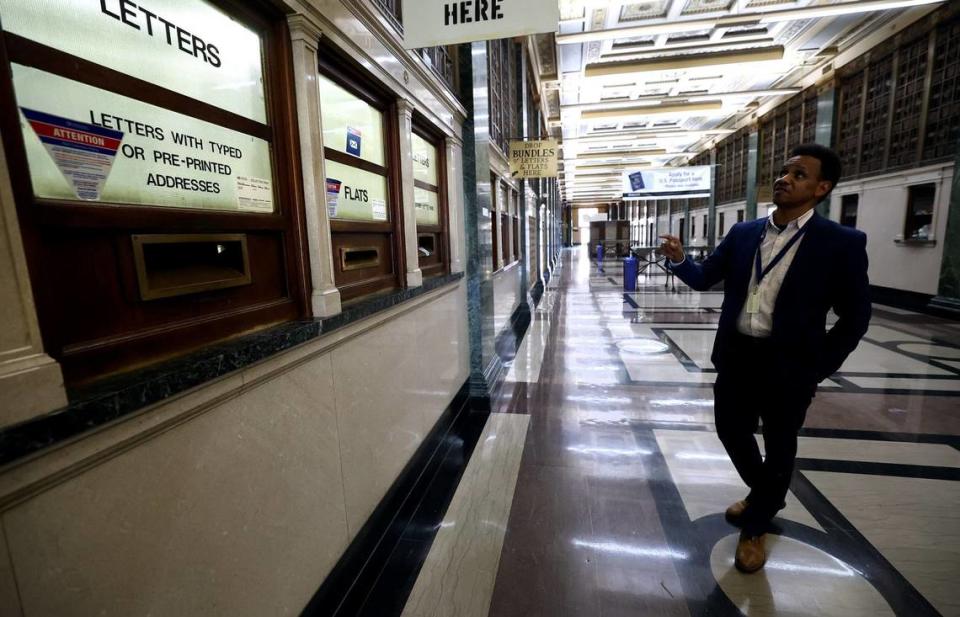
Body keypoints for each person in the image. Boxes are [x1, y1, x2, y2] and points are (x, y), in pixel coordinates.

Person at [657, 144, 871, 573]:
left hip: (789, 366)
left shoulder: (841, 244)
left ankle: (755, 525)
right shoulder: (743, 234)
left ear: (822, 188)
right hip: (738, 357)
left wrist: (817, 366)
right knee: (730, 432)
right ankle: (767, 494)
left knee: (779, 444)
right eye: (784, 170)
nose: (785, 178)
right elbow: (704, 279)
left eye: (799, 175)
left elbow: (855, 318)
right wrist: (681, 261)